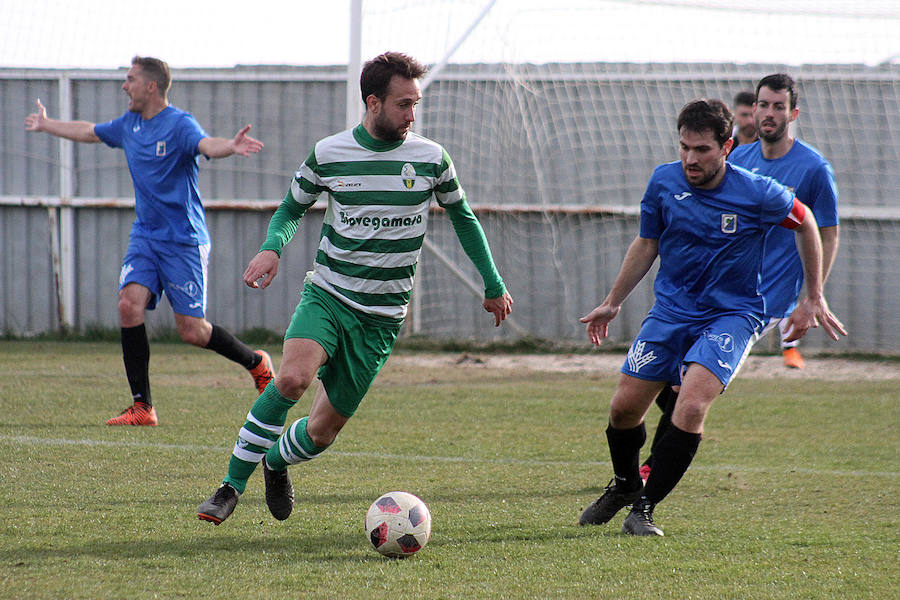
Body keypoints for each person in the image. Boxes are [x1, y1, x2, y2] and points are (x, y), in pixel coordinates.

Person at [197, 52, 514, 525]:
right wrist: (272, 247)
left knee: (322, 432)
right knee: (290, 380)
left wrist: (492, 282)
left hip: (382, 319)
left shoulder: (431, 159)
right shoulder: (328, 153)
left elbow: (464, 218)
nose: (412, 115)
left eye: (416, 104)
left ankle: (276, 461)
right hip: (328, 295)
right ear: (373, 102)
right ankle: (228, 487)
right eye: (403, 104)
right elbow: (290, 209)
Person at [577, 99, 845, 536]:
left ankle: (643, 508)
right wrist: (613, 300)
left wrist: (813, 294)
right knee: (623, 409)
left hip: (732, 315)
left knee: (692, 402)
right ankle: (625, 484)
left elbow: (808, 222)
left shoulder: (757, 191)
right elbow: (647, 243)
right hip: (670, 312)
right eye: (684, 147)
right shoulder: (664, 181)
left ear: (727, 146)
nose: (690, 159)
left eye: (701, 149)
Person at [25, 56, 274, 426]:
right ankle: (143, 406)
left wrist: (230, 146)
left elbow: (207, 144)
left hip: (183, 240)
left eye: (130, 79)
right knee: (129, 304)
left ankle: (256, 363)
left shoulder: (179, 125)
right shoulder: (129, 125)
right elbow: (90, 130)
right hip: (145, 236)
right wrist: (48, 125)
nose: (124, 86)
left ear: (151, 86)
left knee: (192, 331)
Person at [730, 73, 840, 370]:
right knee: (675, 371)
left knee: (695, 380)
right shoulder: (737, 160)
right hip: (727, 289)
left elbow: (828, 235)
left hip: (768, 299)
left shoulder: (814, 168)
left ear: (793, 114)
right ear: (754, 109)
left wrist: (811, 298)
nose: (769, 113)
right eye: (764, 104)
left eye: (779, 106)